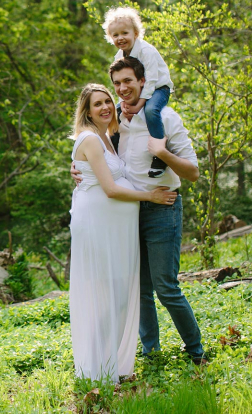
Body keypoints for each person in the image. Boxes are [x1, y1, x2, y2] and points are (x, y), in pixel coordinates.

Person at [74, 57, 206, 365]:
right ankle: (151, 352)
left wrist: (162, 152)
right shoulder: (114, 121)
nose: (122, 89)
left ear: (142, 82)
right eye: (117, 83)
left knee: (165, 286)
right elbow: (98, 158)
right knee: (140, 288)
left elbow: (194, 173)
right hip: (127, 213)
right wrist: (78, 167)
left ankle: (196, 352)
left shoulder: (165, 118)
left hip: (163, 209)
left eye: (128, 81)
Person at [69, 83, 177, 382]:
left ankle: (111, 365)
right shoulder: (91, 139)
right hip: (99, 226)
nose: (105, 107)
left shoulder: (106, 136)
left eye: (107, 101)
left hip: (114, 227)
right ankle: (97, 369)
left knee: (117, 295)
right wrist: (151, 197)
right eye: (97, 104)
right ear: (86, 111)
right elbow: (111, 189)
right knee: (106, 295)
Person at [103, 7, 174, 178]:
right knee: (115, 112)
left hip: (158, 88)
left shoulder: (146, 51)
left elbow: (150, 82)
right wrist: (125, 102)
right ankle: (112, 154)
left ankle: (159, 154)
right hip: (138, 90)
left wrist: (139, 105)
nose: (120, 38)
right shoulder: (119, 55)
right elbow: (120, 79)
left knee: (150, 111)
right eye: (115, 35)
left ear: (135, 33)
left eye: (124, 33)